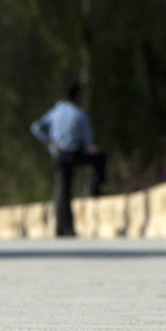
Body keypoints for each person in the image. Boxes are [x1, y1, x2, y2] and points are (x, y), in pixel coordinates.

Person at [31, 83, 107, 237]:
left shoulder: (55, 112)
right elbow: (87, 142)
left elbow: (36, 127)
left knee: (62, 190)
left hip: (59, 155)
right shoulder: (79, 114)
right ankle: (94, 190)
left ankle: (62, 228)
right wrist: (90, 148)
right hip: (74, 154)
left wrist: (49, 140)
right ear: (76, 95)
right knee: (100, 159)